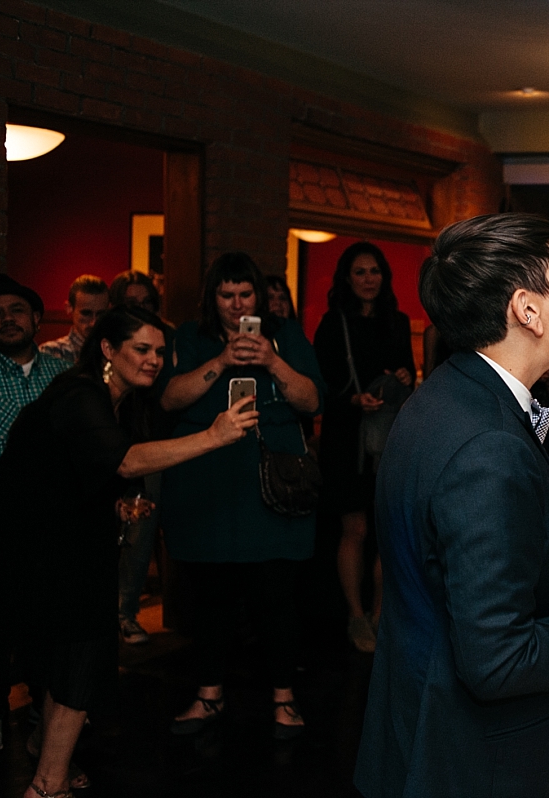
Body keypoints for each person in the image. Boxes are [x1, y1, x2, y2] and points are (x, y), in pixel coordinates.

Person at [354, 213, 549, 797]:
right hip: (477, 762)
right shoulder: (488, 446)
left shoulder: (447, 394)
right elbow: (497, 657)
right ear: (527, 309)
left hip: (425, 732)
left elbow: (455, 562)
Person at [0, 305, 258, 798]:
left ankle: (49, 764)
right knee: (76, 650)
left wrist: (118, 506)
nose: (153, 360)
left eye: (160, 351)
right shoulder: (80, 391)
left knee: (75, 652)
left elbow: (75, 467)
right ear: (107, 349)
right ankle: (47, 784)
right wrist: (213, 436)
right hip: (9, 542)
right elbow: (122, 461)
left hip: (55, 540)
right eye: (141, 349)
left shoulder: (120, 400)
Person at [160, 252, 324, 739]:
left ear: (259, 296)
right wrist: (222, 361)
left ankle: (284, 699)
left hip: (270, 489)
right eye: (226, 295)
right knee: (210, 597)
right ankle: (208, 695)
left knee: (274, 596)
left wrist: (272, 359)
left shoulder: (287, 335)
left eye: (244, 294)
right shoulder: (192, 337)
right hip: (207, 485)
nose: (236, 305)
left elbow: (312, 400)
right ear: (213, 298)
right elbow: (170, 399)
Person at [0, 274, 69, 771]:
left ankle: (42, 716)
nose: (7, 318)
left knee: (47, 624)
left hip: (56, 522)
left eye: (17, 310)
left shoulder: (68, 373)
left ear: (36, 319)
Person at [312, 242, 414, 653]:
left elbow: (408, 381)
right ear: (347, 278)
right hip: (347, 437)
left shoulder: (399, 321)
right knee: (354, 527)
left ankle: (379, 613)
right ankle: (355, 614)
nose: (368, 279)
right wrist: (353, 400)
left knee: (388, 530)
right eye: (360, 272)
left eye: (374, 271)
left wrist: (405, 376)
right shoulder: (333, 323)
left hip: (389, 435)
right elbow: (321, 384)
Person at [109, 271, 173, 646]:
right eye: (131, 303)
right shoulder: (113, 349)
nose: (140, 309)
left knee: (141, 535)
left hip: (155, 448)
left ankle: (125, 613)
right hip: (113, 452)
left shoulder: (163, 343)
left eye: (146, 303)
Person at [39, 274, 110, 365]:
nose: (94, 322)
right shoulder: (51, 352)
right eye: (86, 313)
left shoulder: (114, 351)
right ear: (69, 308)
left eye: (100, 314)